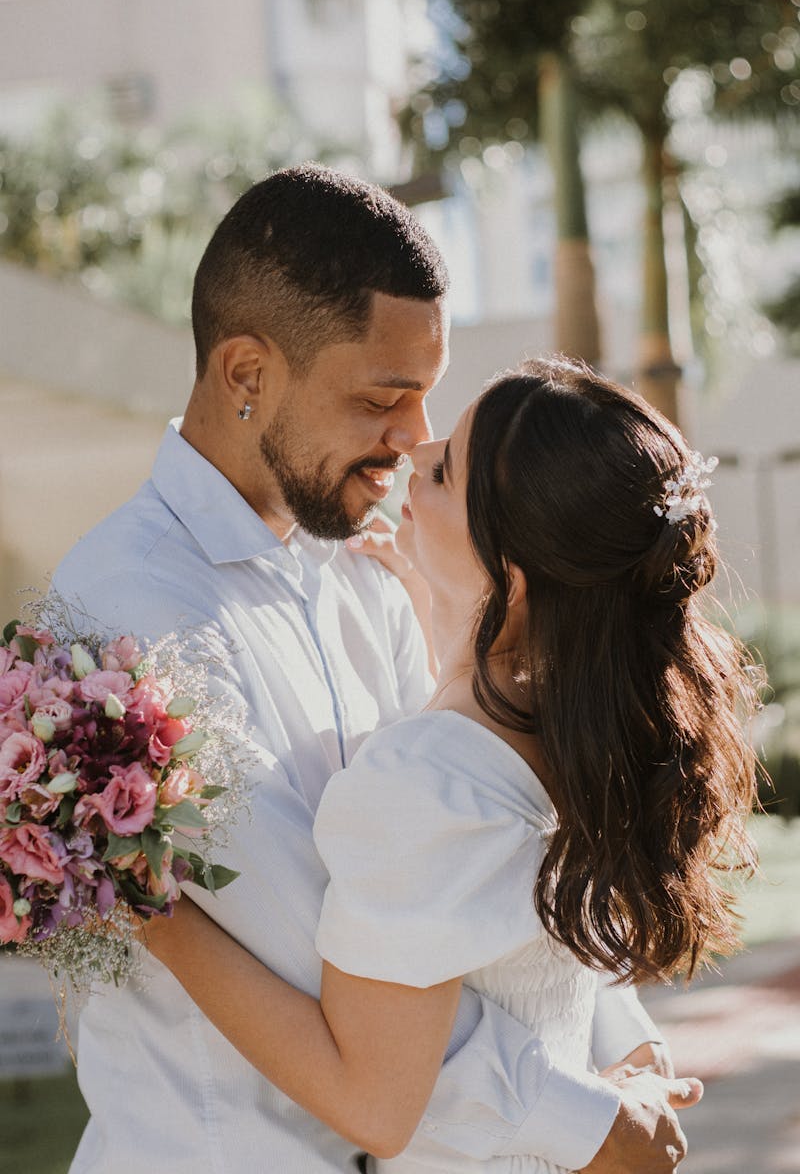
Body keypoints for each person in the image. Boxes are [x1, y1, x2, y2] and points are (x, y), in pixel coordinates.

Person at [54, 166, 696, 1174]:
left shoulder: (365, 566)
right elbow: (326, 955)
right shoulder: (130, 605)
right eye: (381, 398)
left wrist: (627, 1050)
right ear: (244, 375)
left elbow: (476, 860)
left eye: (426, 396)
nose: (412, 438)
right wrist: (580, 1118)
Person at [141, 359, 758, 1173]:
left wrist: (153, 915)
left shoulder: (426, 777)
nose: (413, 453)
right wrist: (442, 591)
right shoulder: (569, 736)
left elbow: (374, 1106)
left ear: (511, 574)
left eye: (444, 470)